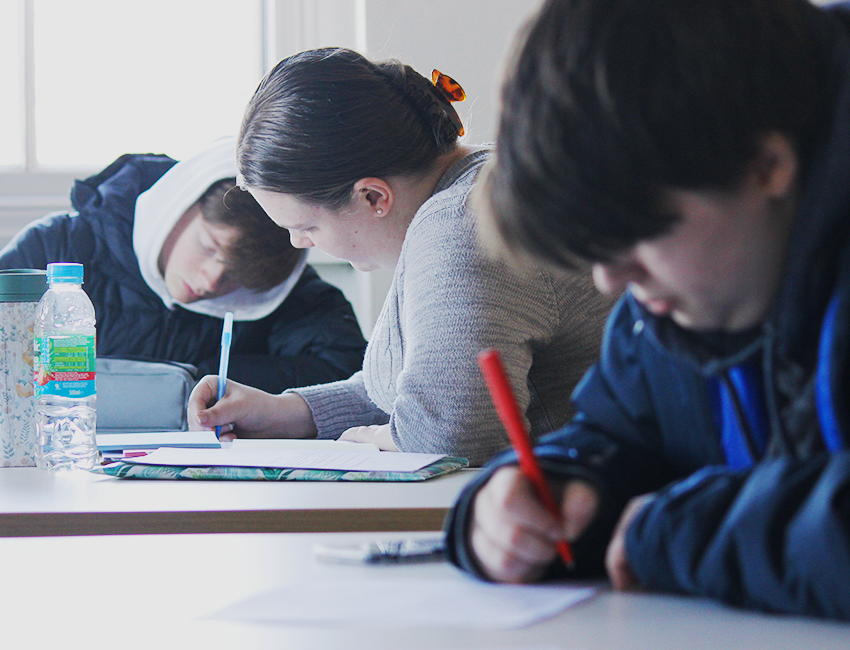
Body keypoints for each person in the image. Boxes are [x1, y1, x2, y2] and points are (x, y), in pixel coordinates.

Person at [444, 0, 850, 621]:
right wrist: (544, 498)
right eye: (594, 253)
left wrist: (679, 532)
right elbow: (619, 440)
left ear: (767, 167)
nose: (613, 282)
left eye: (634, 235)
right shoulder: (674, 302)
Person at [187, 48, 615, 466]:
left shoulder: (460, 226)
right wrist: (288, 411)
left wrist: (372, 439)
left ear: (373, 196)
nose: (300, 244)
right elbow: (415, 389)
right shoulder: (465, 194)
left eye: (306, 227)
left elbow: (451, 435)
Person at [0, 137, 367, 394]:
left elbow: (348, 371)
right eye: (208, 246)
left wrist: (208, 380)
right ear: (180, 202)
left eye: (235, 275)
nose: (210, 281)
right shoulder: (57, 247)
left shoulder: (274, 283)